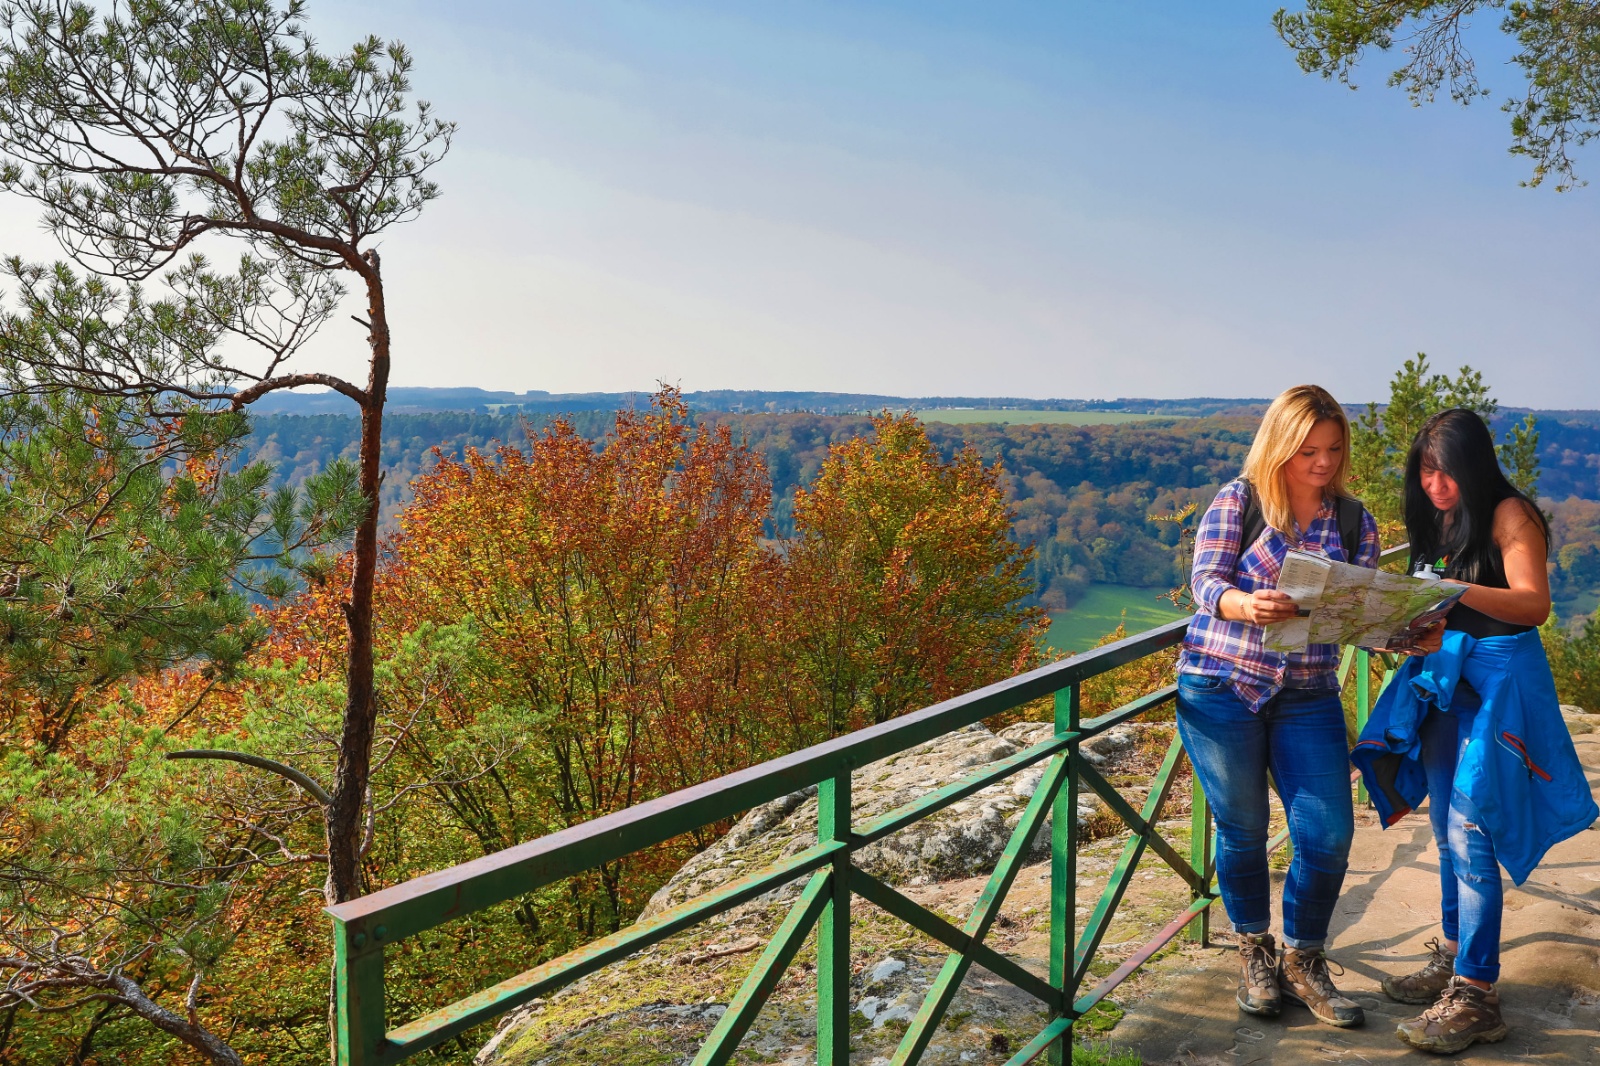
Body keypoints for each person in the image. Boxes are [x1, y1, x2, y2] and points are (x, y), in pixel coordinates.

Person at [1352, 409, 1598, 1055]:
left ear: (1475, 467)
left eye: (1447, 472)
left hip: (1500, 686)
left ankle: (1477, 993)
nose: (1435, 484)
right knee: (1445, 829)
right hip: (1447, 680)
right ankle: (1456, 957)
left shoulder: (1511, 514)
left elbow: (1532, 604)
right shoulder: (1440, 520)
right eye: (1426, 471)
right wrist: (1409, 627)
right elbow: (1448, 612)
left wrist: (1457, 591)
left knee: (1472, 830)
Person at [1177, 384, 1379, 1029]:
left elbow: (1365, 610)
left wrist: (1399, 623)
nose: (1322, 463)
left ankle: (1303, 958)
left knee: (1327, 833)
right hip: (1221, 684)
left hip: (1308, 689)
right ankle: (1253, 950)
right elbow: (1205, 580)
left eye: (1333, 449)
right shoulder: (1241, 500)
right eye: (1306, 451)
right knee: (1242, 829)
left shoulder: (1354, 521)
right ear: (1278, 446)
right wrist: (1244, 603)